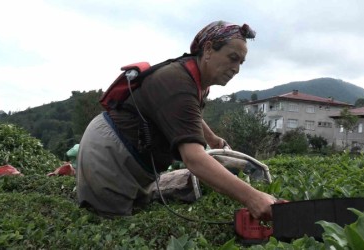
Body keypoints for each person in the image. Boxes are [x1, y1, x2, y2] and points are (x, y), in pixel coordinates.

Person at [76, 20, 276, 220]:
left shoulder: (198, 81)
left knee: (138, 213)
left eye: (240, 62)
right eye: (232, 58)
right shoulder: (178, 82)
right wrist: (253, 198)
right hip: (110, 155)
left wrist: (212, 138)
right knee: (110, 226)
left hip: (137, 163)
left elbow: (188, 114)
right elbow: (193, 158)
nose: (236, 69)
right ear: (208, 50)